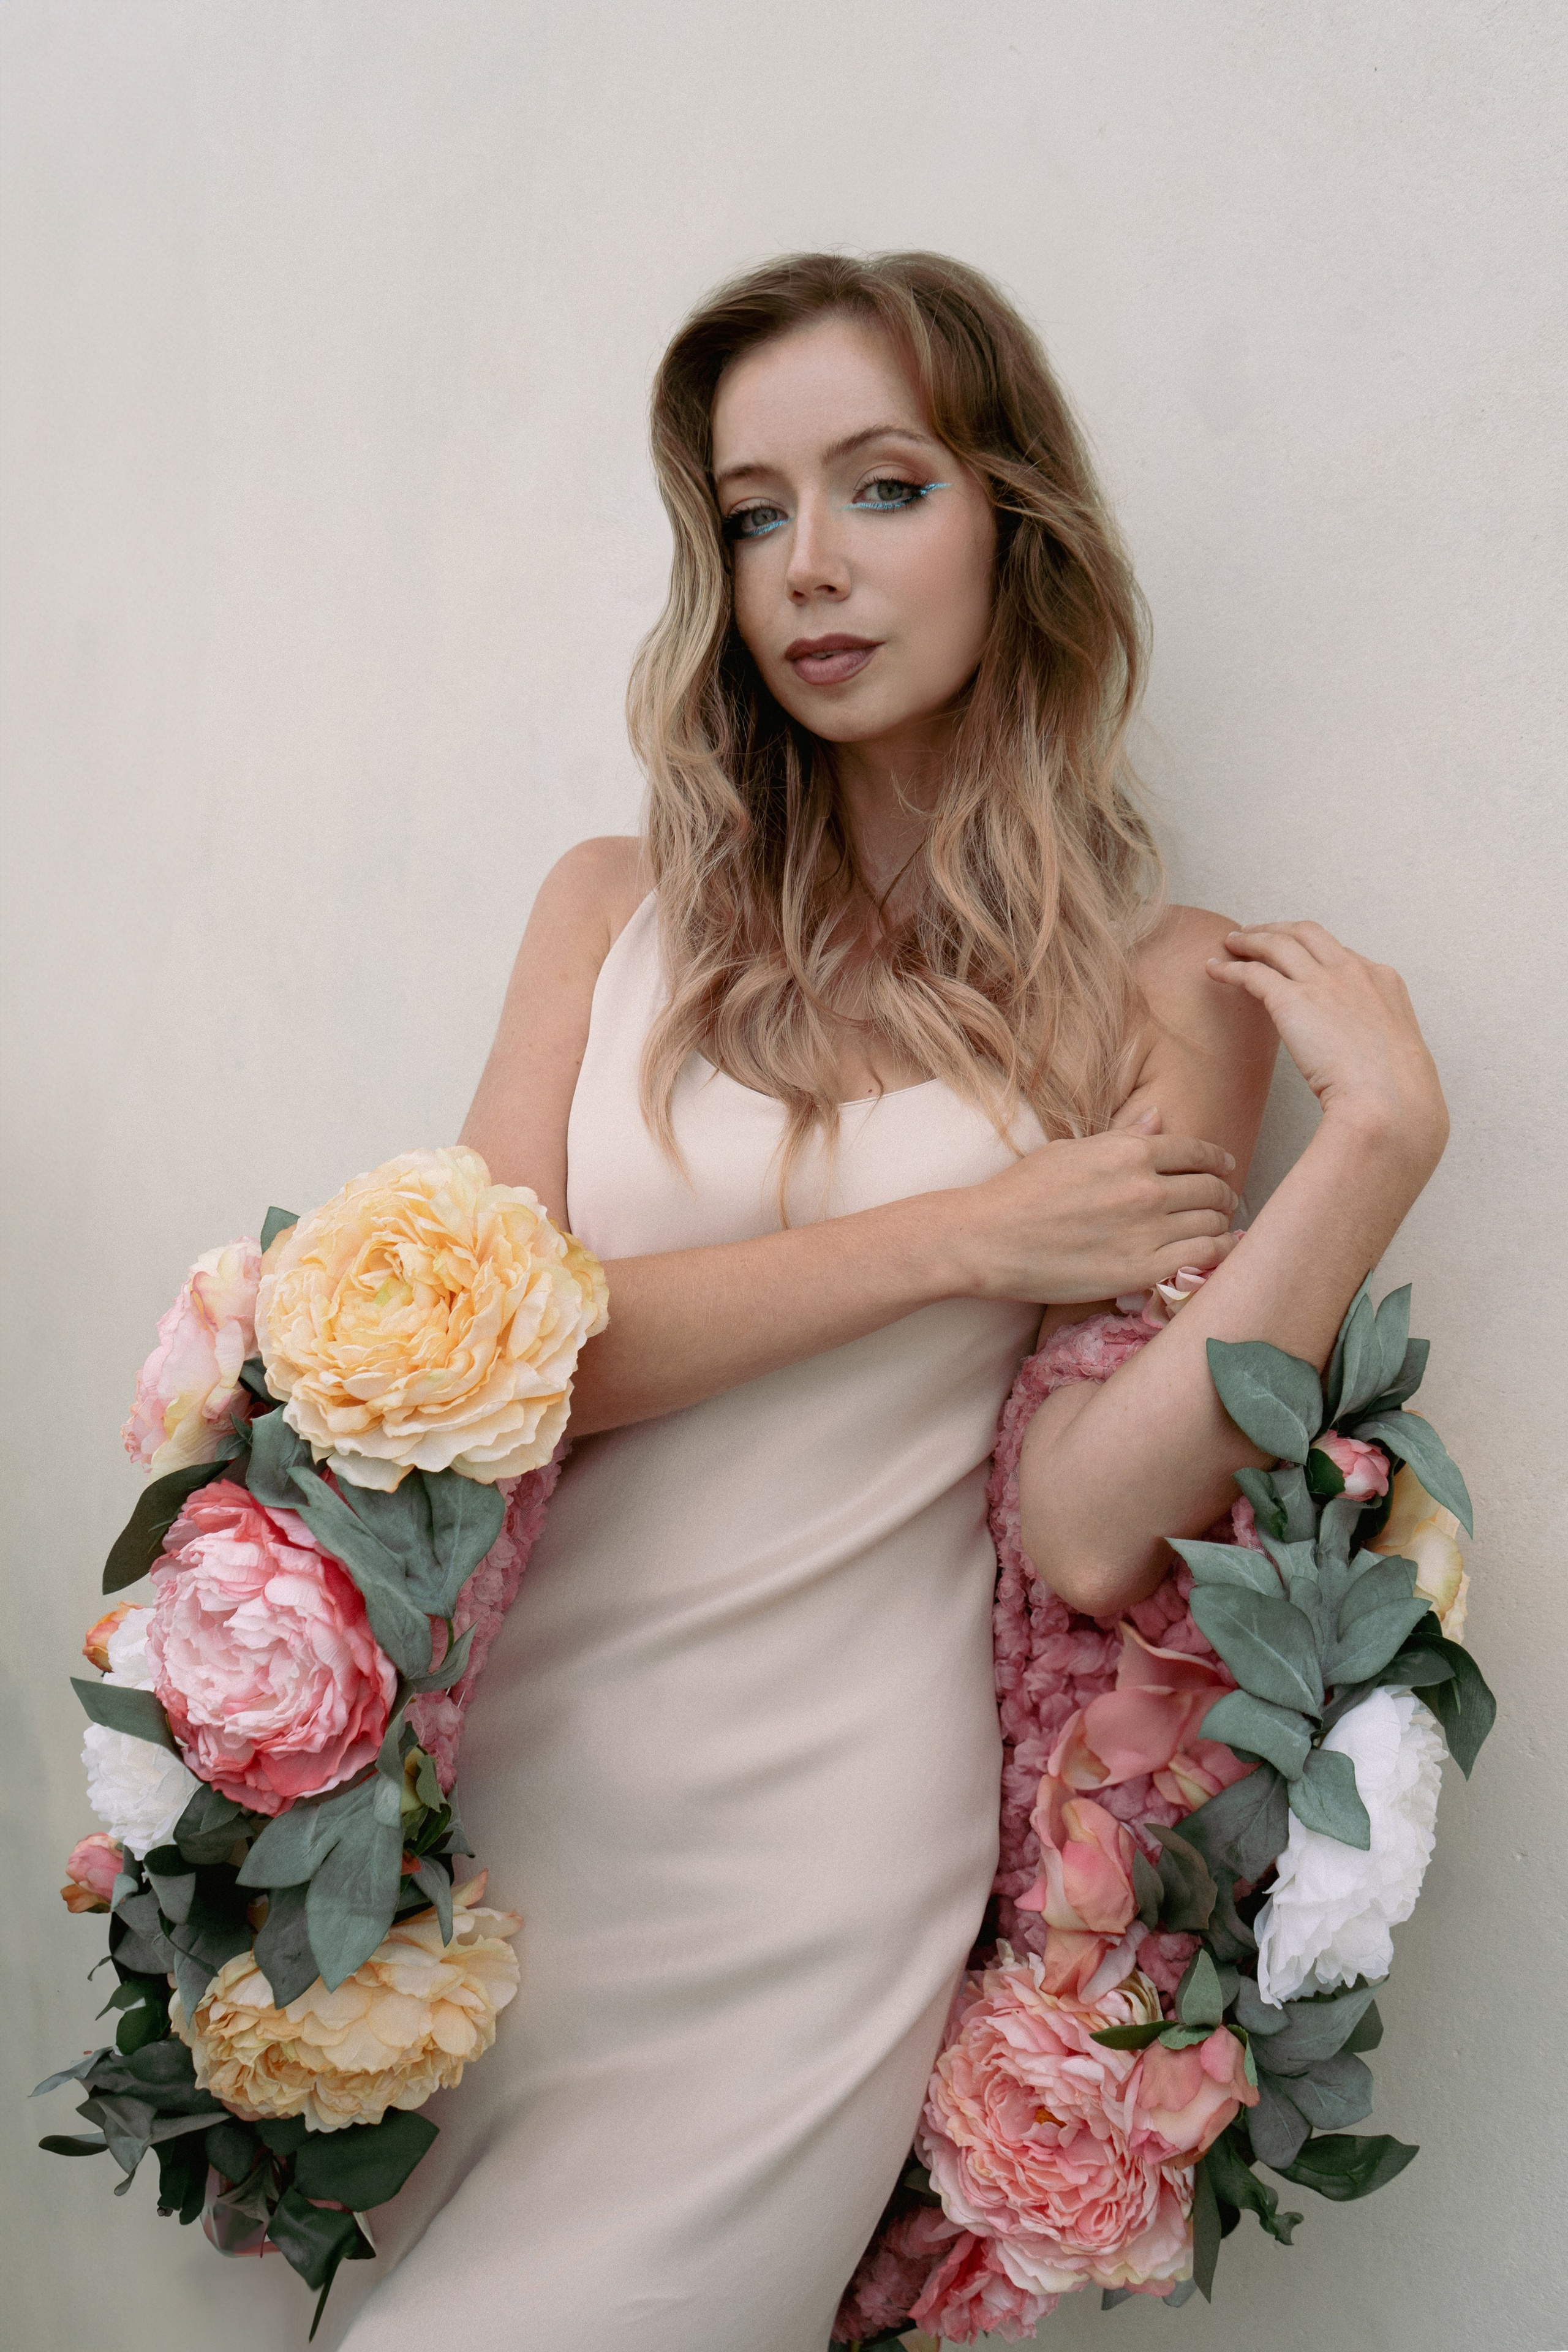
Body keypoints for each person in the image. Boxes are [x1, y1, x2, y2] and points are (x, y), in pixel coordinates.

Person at [334, 251, 1447, 2351]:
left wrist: (1371, 1157)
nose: (810, 570)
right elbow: (492, 1381)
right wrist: (968, 1237)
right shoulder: (606, 909)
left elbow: (1091, 1523)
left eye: (882, 487)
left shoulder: (1159, 988)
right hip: (512, 1834)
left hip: (818, 1870)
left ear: (1015, 522)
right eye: (755, 514)